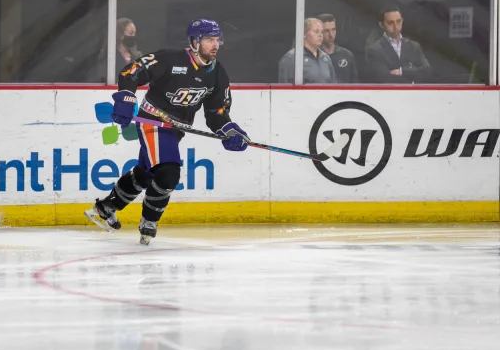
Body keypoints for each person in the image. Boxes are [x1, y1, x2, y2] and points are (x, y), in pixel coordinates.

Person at [84, 19, 248, 245]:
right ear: (194, 42)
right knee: (169, 172)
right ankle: (149, 221)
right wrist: (125, 97)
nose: (215, 44)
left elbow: (216, 113)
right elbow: (131, 72)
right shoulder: (170, 59)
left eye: (217, 39)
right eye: (209, 40)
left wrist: (230, 131)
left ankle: (104, 208)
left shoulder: (218, 74)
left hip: (176, 129)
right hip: (153, 120)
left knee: (146, 173)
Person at [365, 6, 431, 83]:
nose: (395, 26)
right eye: (390, 23)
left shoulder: (414, 46)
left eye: (398, 21)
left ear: (402, 21)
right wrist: (412, 74)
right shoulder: (375, 49)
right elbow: (383, 77)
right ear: (381, 25)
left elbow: (427, 72)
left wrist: (401, 72)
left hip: (413, 94)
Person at [277, 18, 337, 84]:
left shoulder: (325, 58)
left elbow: (333, 84)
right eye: (316, 31)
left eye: (322, 32)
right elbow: (284, 90)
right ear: (304, 34)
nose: (320, 35)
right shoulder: (291, 58)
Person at [318, 13, 358, 83]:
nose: (331, 35)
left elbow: (355, 84)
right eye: (326, 31)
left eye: (333, 30)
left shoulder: (347, 55)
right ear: (319, 32)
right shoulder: (313, 56)